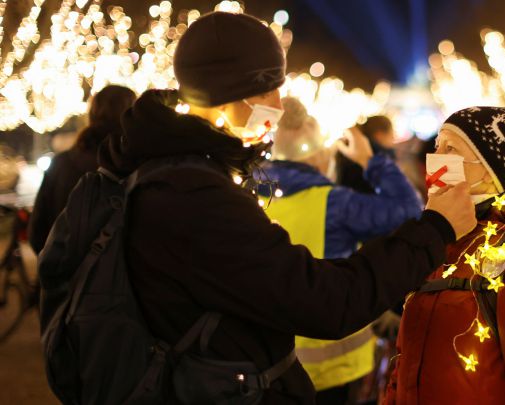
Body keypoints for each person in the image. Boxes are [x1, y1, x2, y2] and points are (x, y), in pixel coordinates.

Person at [96, 12, 475, 404]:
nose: (278, 105)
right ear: (229, 91)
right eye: (266, 92)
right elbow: (327, 301)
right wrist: (437, 228)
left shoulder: (170, 167)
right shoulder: (194, 195)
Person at [385, 106, 505, 404]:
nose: (437, 159)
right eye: (437, 147)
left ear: (491, 172)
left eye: (452, 149)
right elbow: (404, 358)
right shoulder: (439, 240)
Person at [258, 97, 423, 404]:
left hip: (269, 362)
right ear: (317, 154)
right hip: (335, 366)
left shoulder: (248, 195)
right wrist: (370, 160)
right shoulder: (335, 204)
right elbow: (410, 210)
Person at [28, 85, 136, 254]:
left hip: (64, 274)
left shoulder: (61, 164)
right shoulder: (137, 167)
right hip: (117, 277)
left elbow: (38, 233)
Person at [336, 115, 396, 193]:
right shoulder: (378, 157)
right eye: (391, 135)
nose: (393, 138)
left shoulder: (352, 151)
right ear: (379, 135)